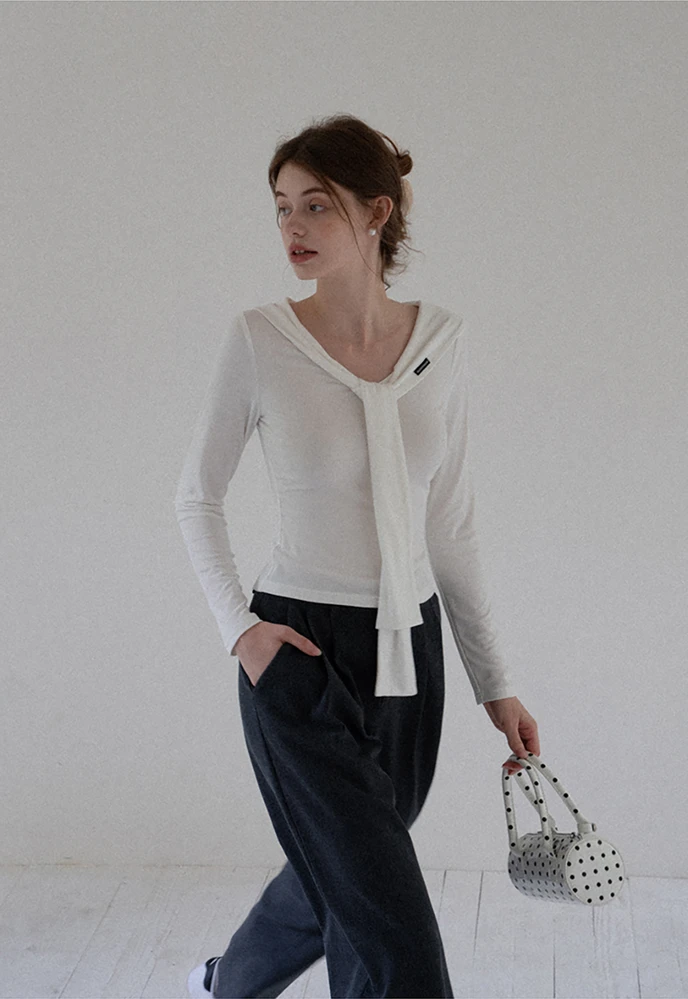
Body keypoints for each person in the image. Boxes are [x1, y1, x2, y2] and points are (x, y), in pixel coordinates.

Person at [176, 113, 540, 999]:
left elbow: (451, 524)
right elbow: (196, 497)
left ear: (377, 213)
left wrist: (495, 682)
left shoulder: (441, 342)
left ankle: (228, 982)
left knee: (345, 868)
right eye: (281, 207)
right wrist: (241, 630)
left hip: (411, 650)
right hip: (296, 649)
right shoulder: (260, 338)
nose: (292, 226)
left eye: (317, 205)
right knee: (386, 912)